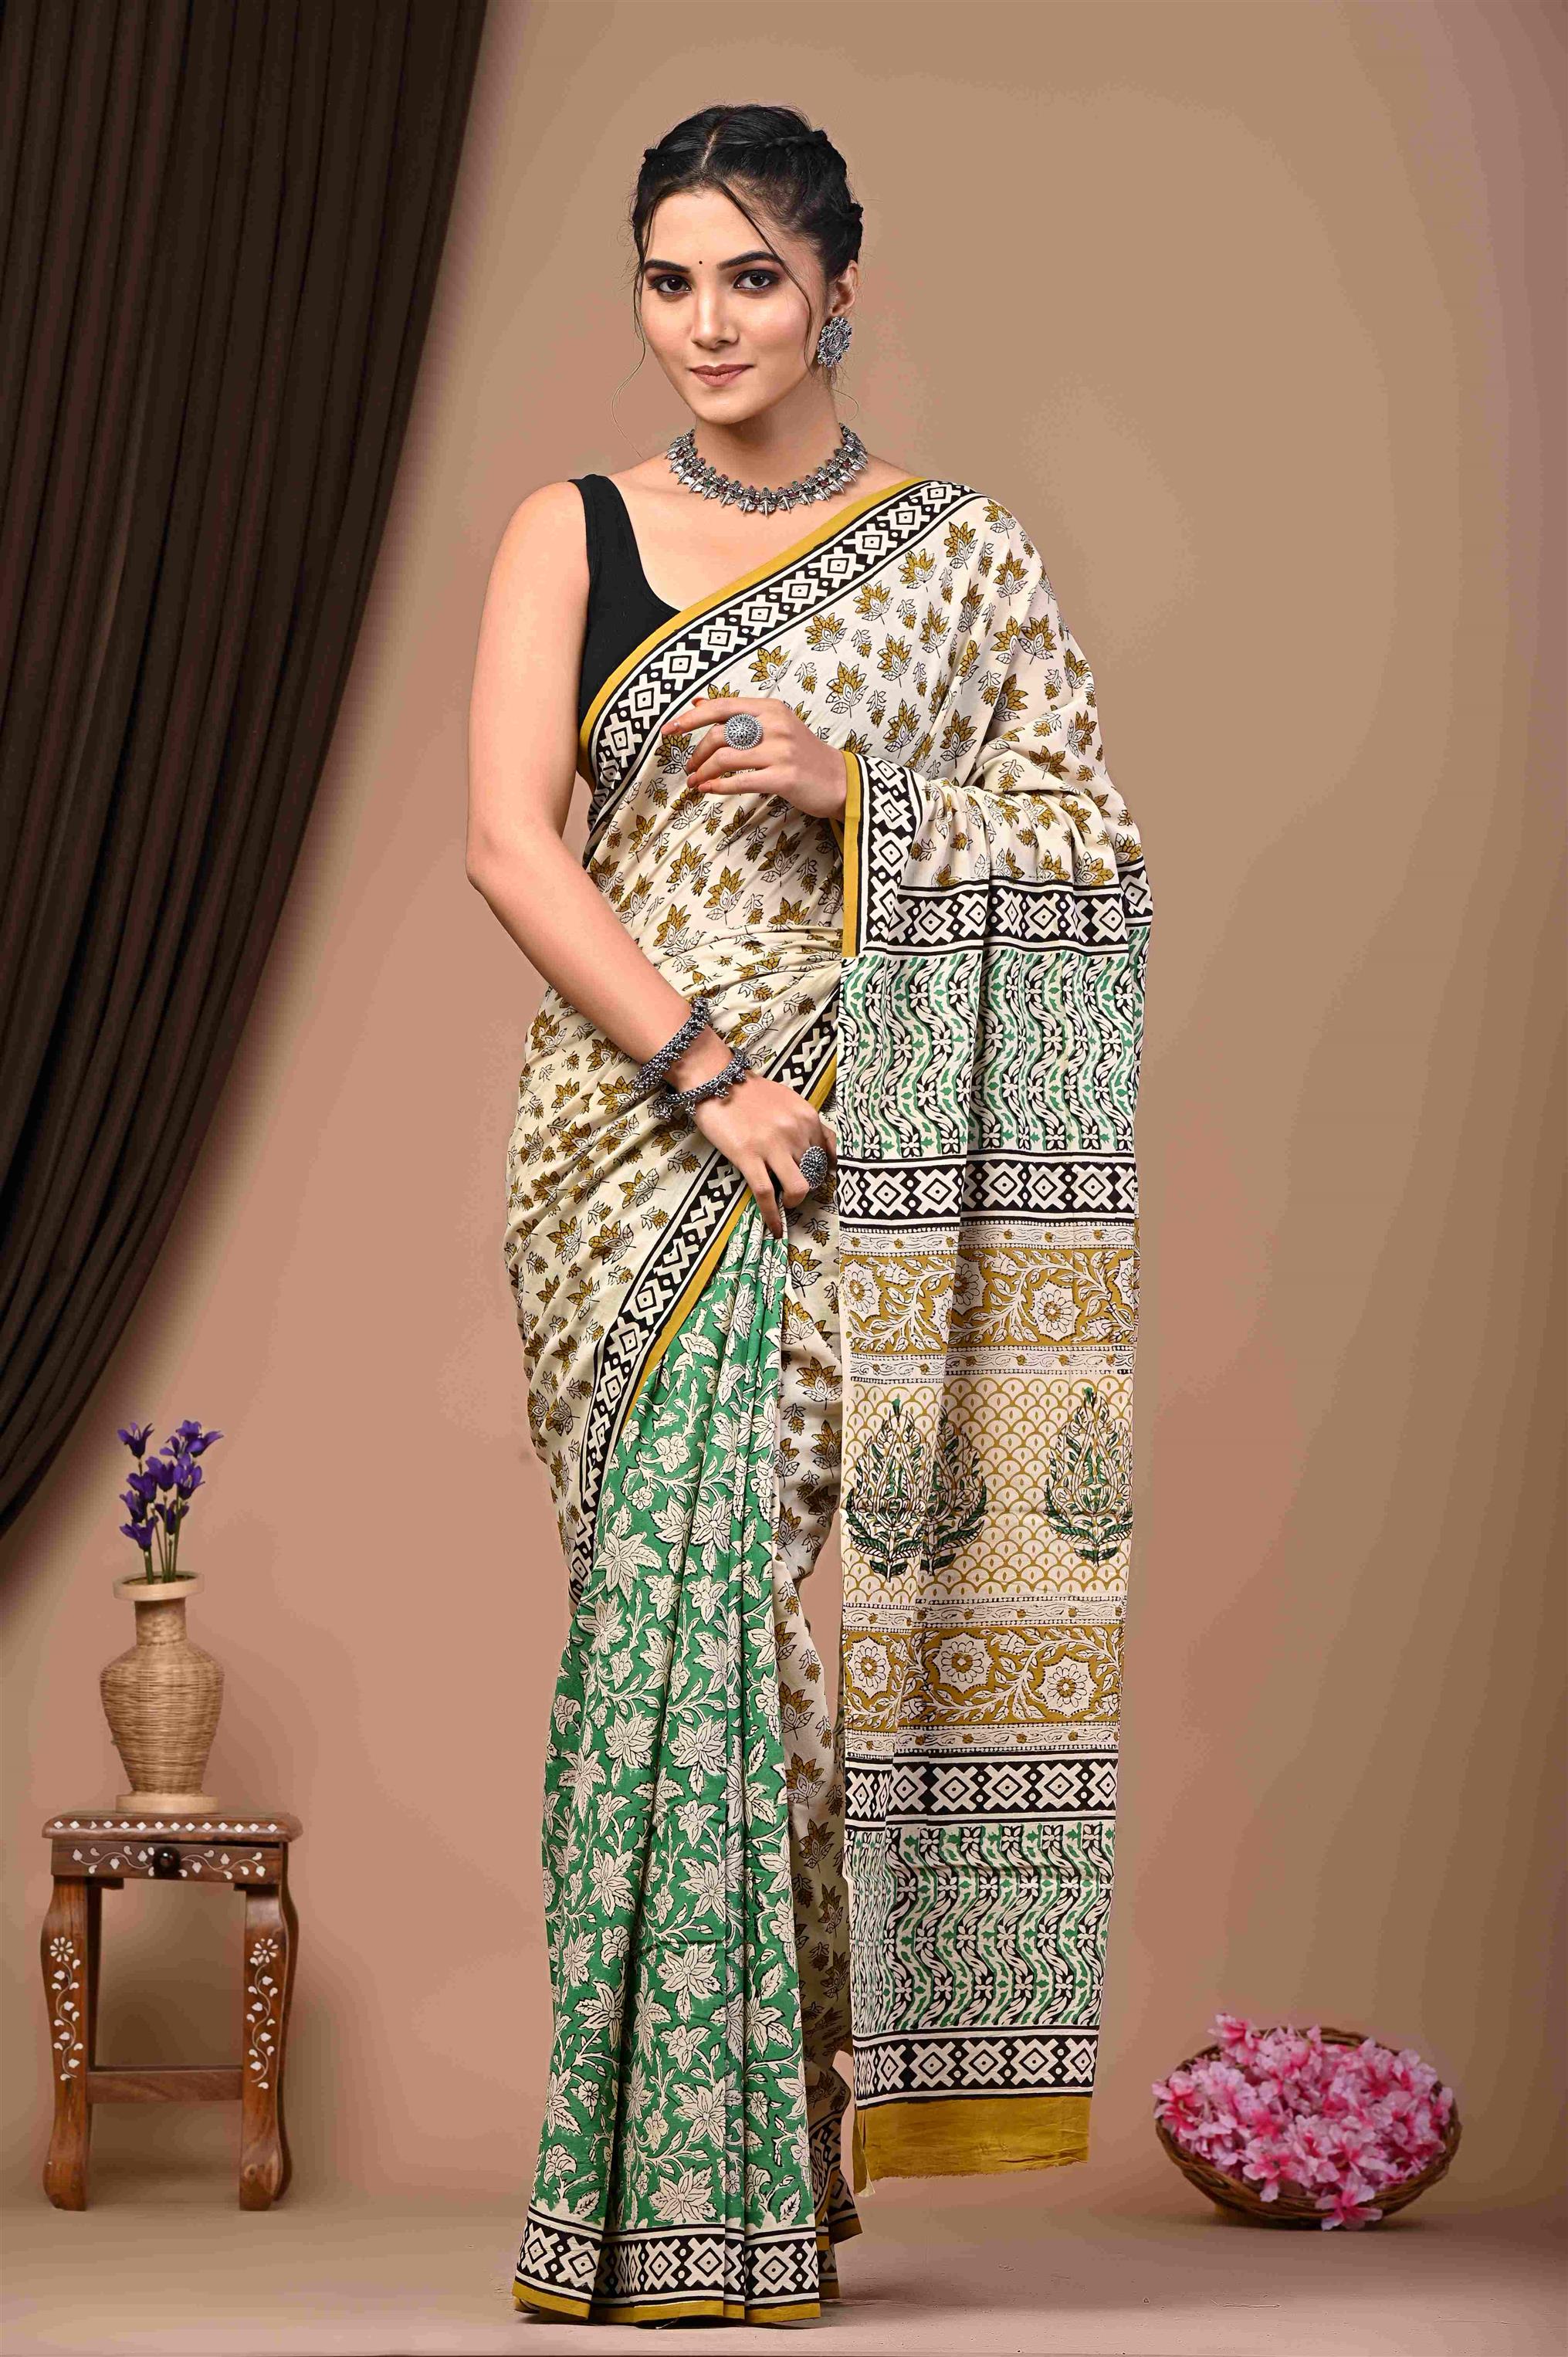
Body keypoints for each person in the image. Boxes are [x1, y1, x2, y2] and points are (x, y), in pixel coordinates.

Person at [467, 103, 1152, 2329]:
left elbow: (1089, 852)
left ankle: (770, 2166)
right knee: (675, 1647)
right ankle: (654, 2186)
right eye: (671, 280)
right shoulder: (570, 532)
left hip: (876, 1156)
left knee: (789, 1670)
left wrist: (865, 788)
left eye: (753, 277)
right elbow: (510, 844)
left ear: (839, 289)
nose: (709, 324)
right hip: (635, 1150)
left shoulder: (961, 554)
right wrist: (705, 1067)